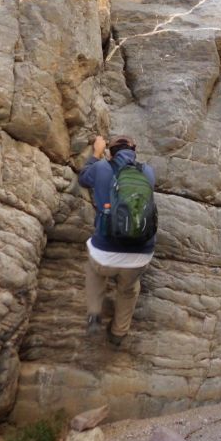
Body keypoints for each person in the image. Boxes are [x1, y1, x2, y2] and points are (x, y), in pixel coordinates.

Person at [78, 134, 156, 346]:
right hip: (140, 253)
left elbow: (83, 177)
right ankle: (119, 333)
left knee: (94, 271)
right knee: (129, 289)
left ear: (111, 152)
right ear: (134, 151)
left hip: (105, 252)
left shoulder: (101, 168)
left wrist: (96, 154)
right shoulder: (147, 172)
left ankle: (94, 314)